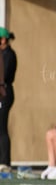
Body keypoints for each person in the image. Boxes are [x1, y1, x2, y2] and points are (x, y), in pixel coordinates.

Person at [0, 27, 17, 170]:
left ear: (3, 39)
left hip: (4, 92)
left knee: (1, 127)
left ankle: (5, 162)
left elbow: (4, 75)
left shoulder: (9, 54)